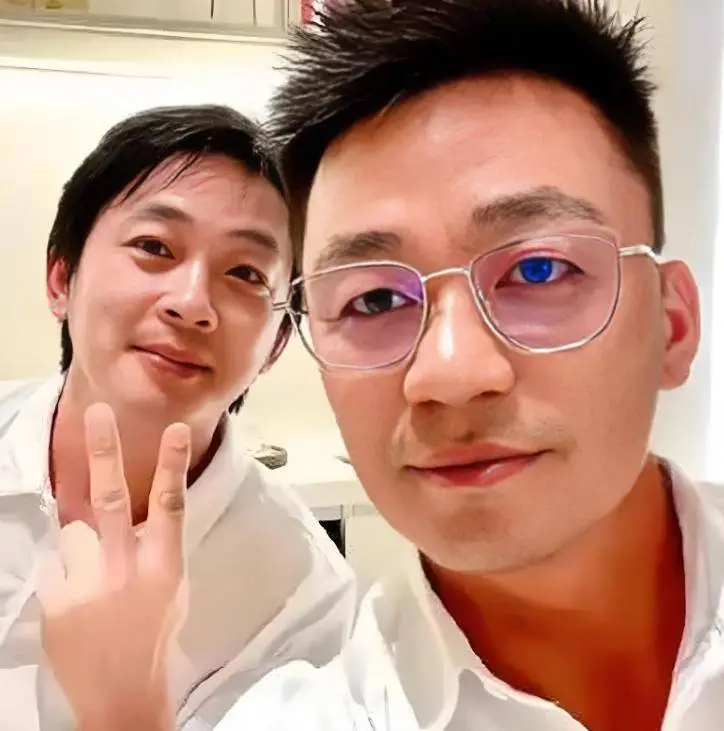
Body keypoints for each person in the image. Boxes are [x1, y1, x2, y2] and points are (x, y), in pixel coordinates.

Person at [37, 0, 723, 729]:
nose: (449, 373)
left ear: (674, 323)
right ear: (60, 278)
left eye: (539, 270)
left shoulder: (299, 593)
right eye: (374, 300)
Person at [0, 104, 355, 730]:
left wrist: (125, 708)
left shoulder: (302, 596)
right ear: (61, 278)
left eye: (245, 273)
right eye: (154, 247)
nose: (192, 304)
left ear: (276, 344)